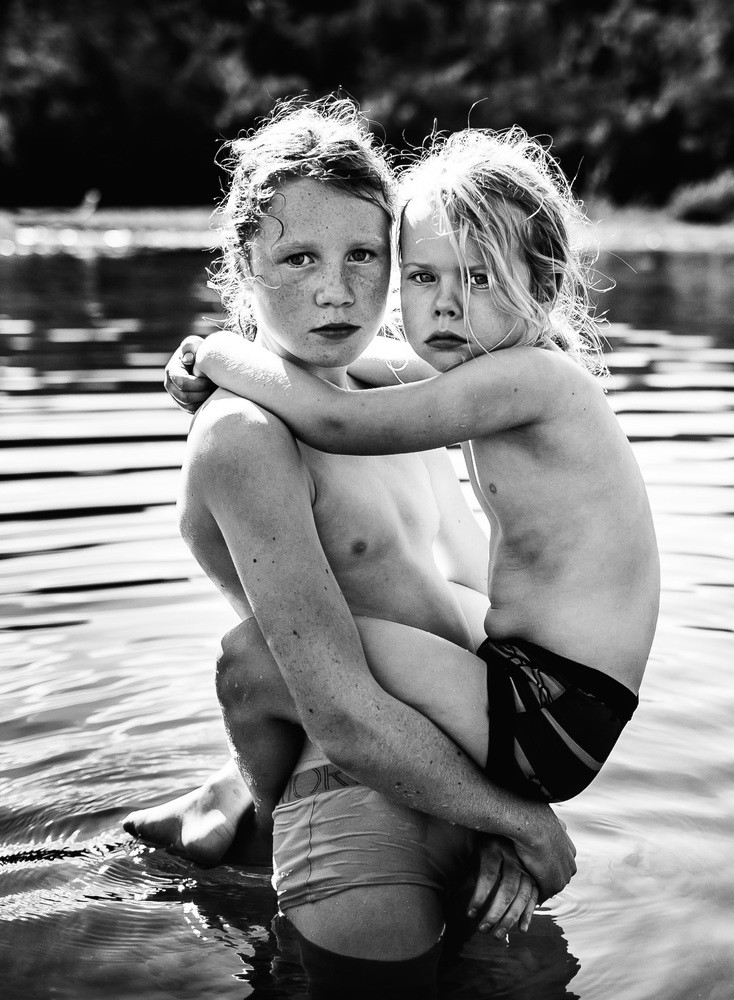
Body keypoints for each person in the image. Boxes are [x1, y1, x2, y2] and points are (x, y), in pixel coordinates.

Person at [121, 96, 575, 996]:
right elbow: (338, 711)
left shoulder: (397, 385)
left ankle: (230, 814)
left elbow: (531, 344)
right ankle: (245, 824)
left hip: (465, 779)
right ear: (243, 265)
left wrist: (508, 808)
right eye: (299, 258)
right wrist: (524, 824)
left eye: (363, 255)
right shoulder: (246, 437)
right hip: (361, 805)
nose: (337, 291)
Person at [166, 126, 660, 810]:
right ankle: (237, 792)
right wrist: (224, 365)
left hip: (545, 708)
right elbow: (338, 369)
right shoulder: (497, 364)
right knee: (325, 655)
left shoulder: (527, 380)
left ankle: (243, 810)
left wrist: (218, 352)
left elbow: (337, 419)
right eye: (424, 277)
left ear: (543, 284)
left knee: (263, 656)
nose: (446, 304)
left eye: (479, 278)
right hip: (551, 696)